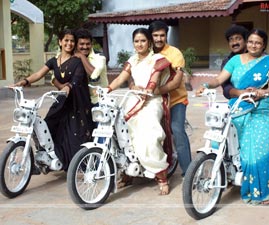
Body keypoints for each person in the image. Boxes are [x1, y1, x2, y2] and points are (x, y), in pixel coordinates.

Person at [196, 28, 269, 205]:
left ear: (263, 44)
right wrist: (205, 85)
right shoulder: (235, 60)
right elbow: (219, 80)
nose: (253, 45)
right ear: (247, 42)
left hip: (262, 109)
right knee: (220, 138)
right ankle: (224, 175)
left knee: (257, 149)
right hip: (237, 107)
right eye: (251, 41)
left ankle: (263, 192)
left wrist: (262, 92)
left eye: (258, 42)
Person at [222, 25, 269, 200]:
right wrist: (241, 93)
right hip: (240, 104)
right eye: (231, 40)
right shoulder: (229, 61)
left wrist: (263, 93)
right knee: (221, 132)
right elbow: (226, 88)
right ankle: (226, 174)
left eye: (238, 39)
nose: (235, 43)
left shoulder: (267, 61)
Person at [14, 29, 93, 171]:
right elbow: (39, 73)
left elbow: (76, 79)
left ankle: (77, 166)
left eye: (72, 41)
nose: (69, 43)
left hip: (76, 103)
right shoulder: (53, 61)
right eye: (66, 40)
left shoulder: (77, 61)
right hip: (62, 101)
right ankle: (52, 158)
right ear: (60, 42)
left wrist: (68, 87)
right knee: (48, 125)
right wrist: (24, 82)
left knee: (75, 134)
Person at [108, 28, 172, 195]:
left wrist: (147, 91)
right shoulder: (132, 60)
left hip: (152, 100)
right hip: (134, 99)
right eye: (136, 41)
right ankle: (128, 172)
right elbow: (121, 78)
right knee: (122, 134)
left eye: (143, 40)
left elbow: (154, 80)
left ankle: (162, 177)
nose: (139, 44)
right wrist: (107, 89)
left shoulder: (157, 59)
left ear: (149, 42)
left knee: (150, 134)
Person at [148, 20, 192, 177]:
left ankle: (189, 171)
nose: (159, 39)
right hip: (154, 101)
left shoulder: (175, 53)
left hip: (176, 100)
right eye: (155, 35)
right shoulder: (147, 52)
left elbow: (176, 82)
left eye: (162, 35)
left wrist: (156, 91)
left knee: (177, 130)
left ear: (166, 35)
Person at [53, 28, 108, 106]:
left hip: (99, 100)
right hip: (79, 101)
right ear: (76, 45)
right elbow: (54, 76)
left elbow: (94, 74)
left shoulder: (100, 57)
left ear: (91, 44)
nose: (85, 47)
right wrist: (62, 87)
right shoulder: (69, 57)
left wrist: (82, 57)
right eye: (81, 44)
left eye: (88, 44)